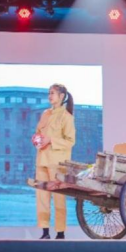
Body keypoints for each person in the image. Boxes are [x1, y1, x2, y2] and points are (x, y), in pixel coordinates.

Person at [33, 84, 76, 240]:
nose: (50, 96)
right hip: (42, 160)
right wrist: (37, 139)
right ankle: (45, 232)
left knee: (58, 198)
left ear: (62, 96)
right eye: (49, 93)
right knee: (42, 198)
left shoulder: (67, 116)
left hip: (58, 163)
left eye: (53, 93)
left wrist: (51, 140)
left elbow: (70, 141)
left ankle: (60, 232)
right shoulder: (45, 114)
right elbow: (39, 132)